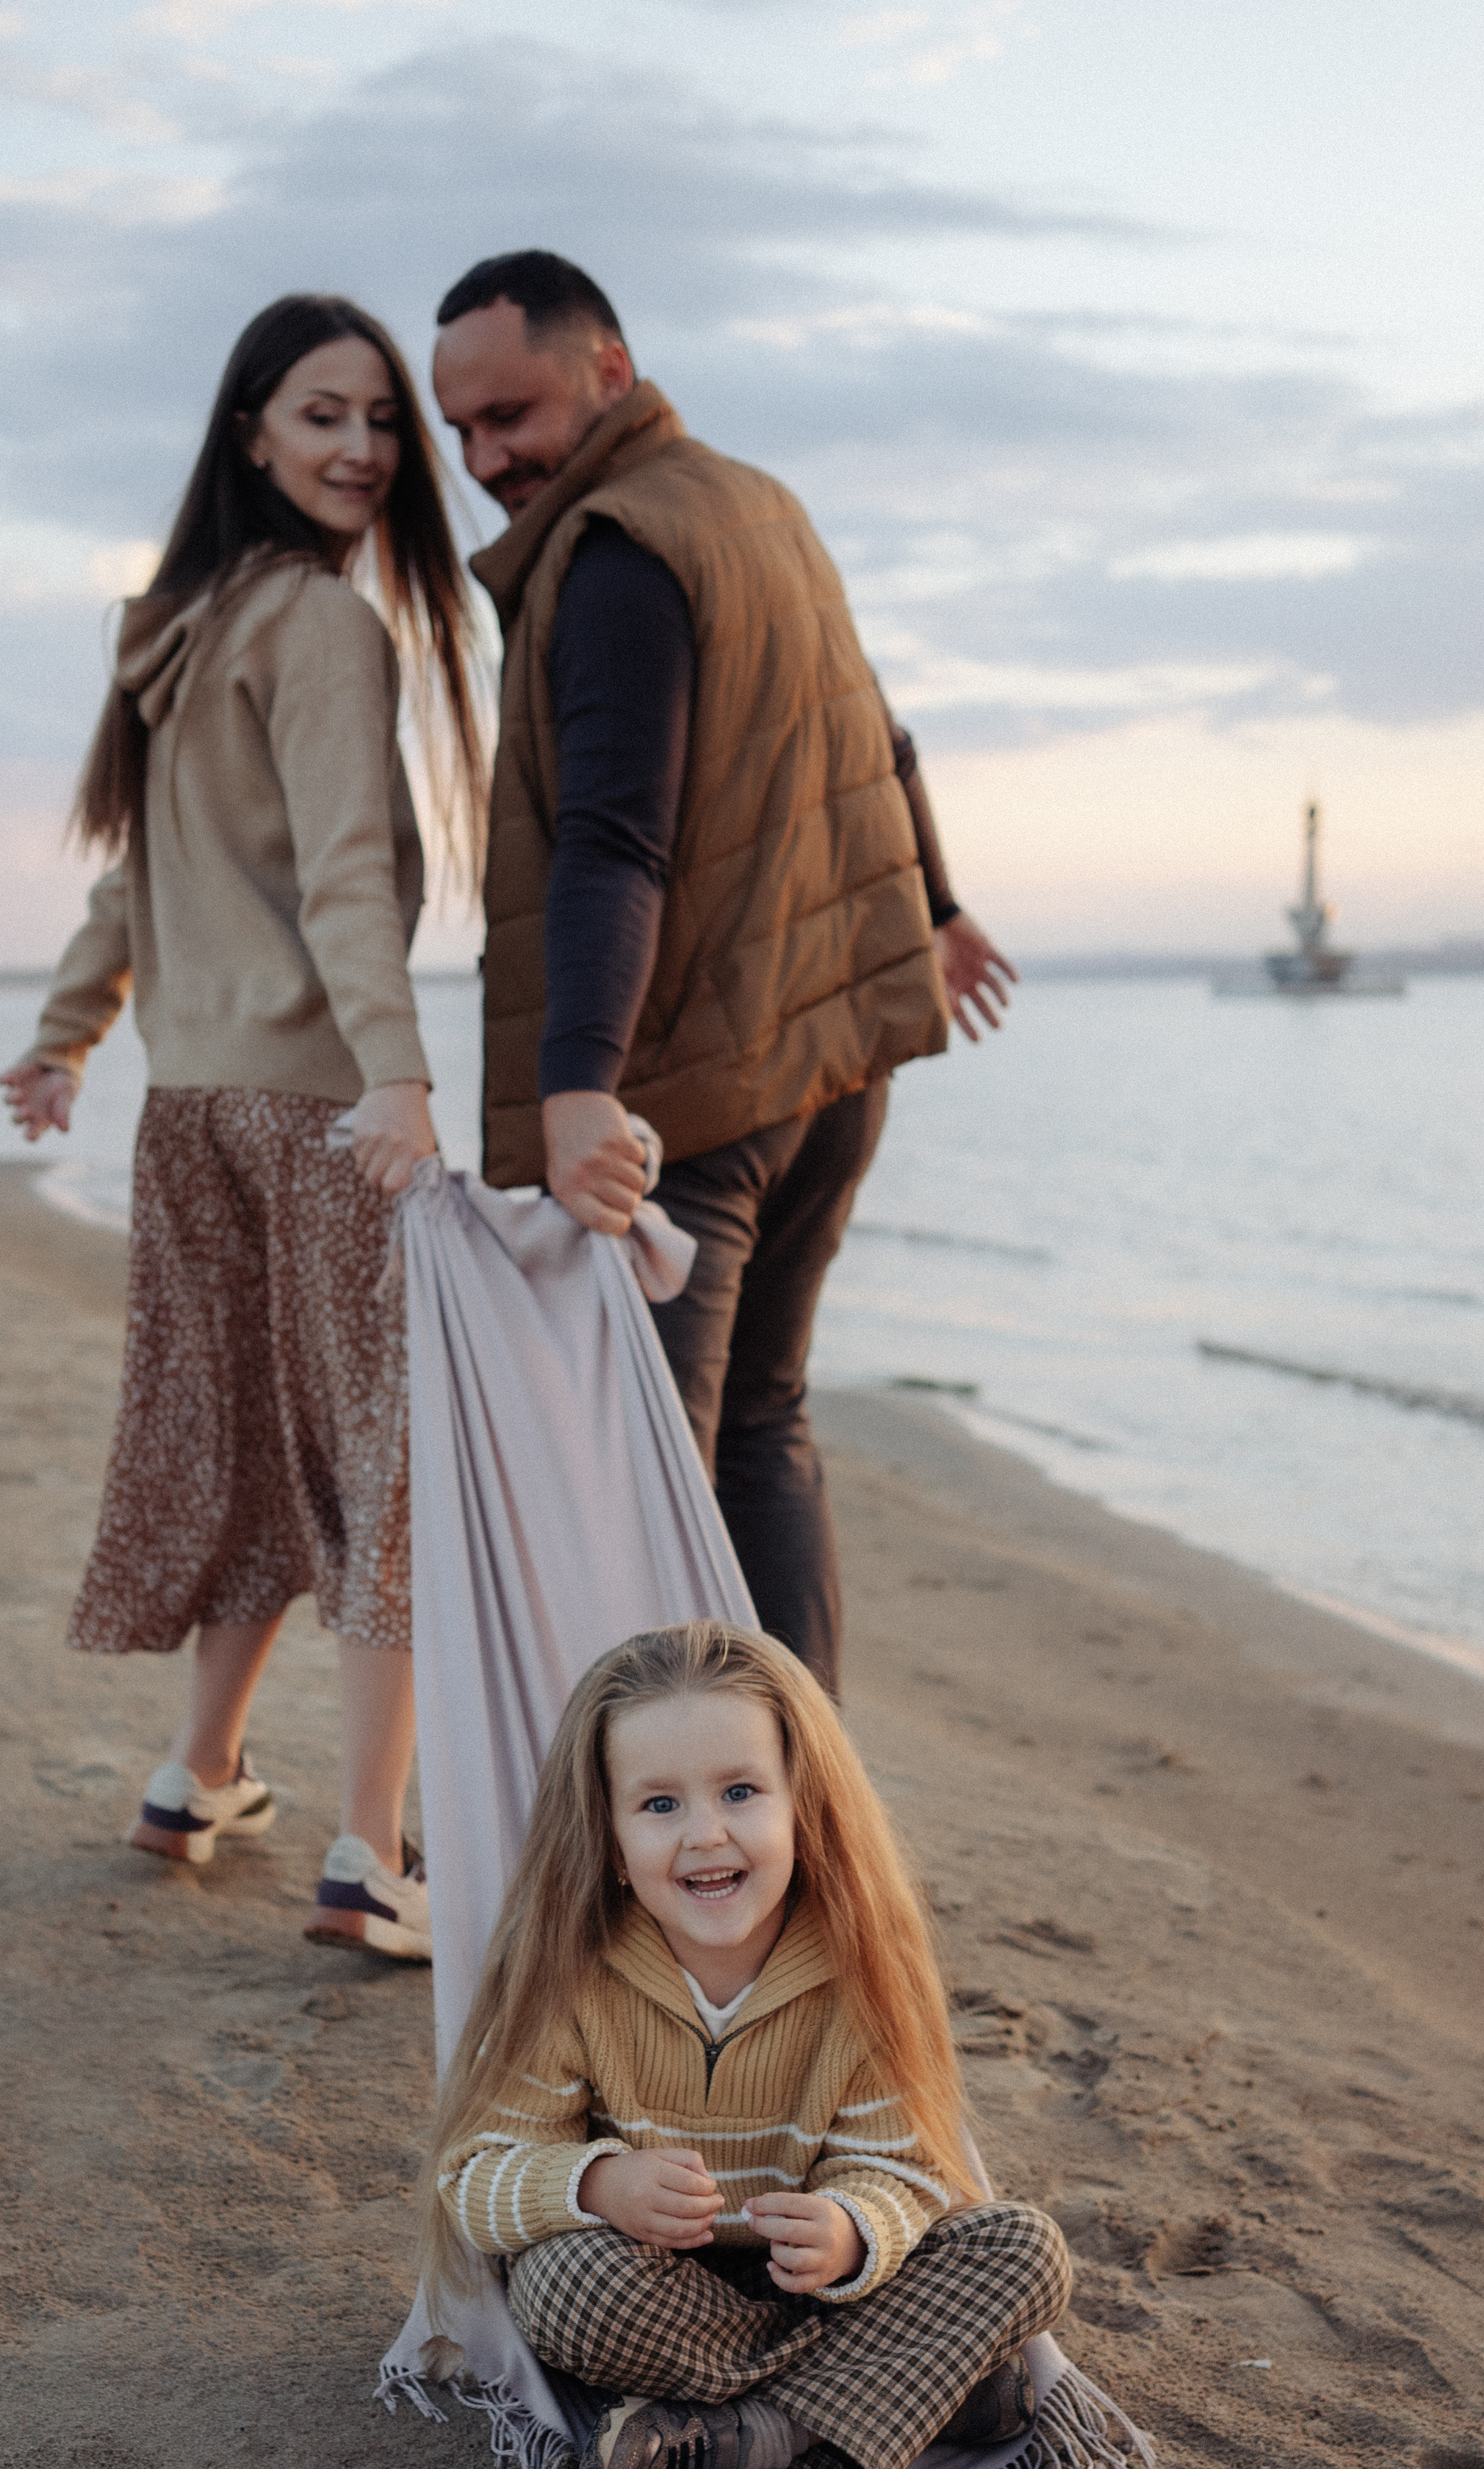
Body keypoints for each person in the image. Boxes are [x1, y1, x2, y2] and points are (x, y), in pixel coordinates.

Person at [431, 251, 1018, 1698]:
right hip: (833, 1065)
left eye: (510, 414)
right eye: (460, 432)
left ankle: (686, 1852)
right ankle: (804, 1825)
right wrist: (930, 905)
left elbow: (613, 842)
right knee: (764, 1428)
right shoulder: (760, 506)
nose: (484, 457)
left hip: (696, 1095)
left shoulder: (618, 546)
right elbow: (877, 729)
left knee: (653, 1478)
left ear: (608, 374)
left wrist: (575, 1087)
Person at [0, 292, 486, 1963]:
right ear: (251, 434)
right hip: (309, 1103)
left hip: (190, 1112)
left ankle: (196, 1775)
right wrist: (400, 1073)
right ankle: (368, 1855)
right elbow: (349, 879)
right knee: (384, 1472)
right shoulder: (325, 630)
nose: (358, 448)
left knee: (265, 1467)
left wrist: (69, 1034)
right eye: (320, 416)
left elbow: (129, 879)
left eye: (378, 421)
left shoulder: (180, 621)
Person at [423, 1622, 1073, 2469]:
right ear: (607, 1839)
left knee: (1023, 2250)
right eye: (659, 1806)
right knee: (568, 2291)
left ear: (802, 1806)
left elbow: (903, 2170)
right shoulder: (572, 1973)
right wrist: (598, 2183)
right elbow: (475, 2176)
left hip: (825, 2294)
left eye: (739, 1791)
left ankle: (749, 2436)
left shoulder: (857, 1970)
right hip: (657, 2295)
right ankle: (929, 2392)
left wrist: (850, 2230)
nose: (706, 1835)